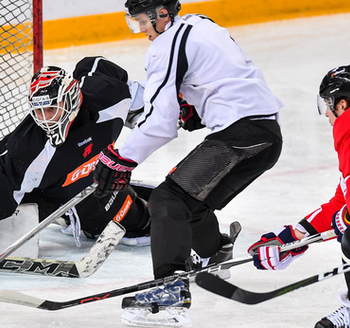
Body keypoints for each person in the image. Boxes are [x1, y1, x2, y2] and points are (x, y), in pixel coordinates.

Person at [92, 0, 284, 326]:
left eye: (142, 21)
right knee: (191, 204)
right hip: (267, 135)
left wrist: (119, 160)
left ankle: (169, 291)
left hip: (237, 133)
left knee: (168, 200)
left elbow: (159, 123)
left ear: (162, 14)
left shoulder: (165, 46)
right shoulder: (201, 23)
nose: (141, 30)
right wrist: (193, 104)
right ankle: (213, 252)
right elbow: (222, 75)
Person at [0, 56, 152, 247]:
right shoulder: (29, 149)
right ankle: (71, 217)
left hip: (90, 180)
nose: (45, 119)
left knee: (138, 219)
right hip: (53, 197)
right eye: (39, 111)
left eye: (51, 109)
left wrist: (146, 111)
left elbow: (94, 65)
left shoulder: (106, 95)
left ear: (71, 99)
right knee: (115, 216)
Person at [248, 64, 350, 328]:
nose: (326, 114)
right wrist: (294, 236)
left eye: (328, 104)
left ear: (342, 104)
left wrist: (347, 219)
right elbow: (344, 200)